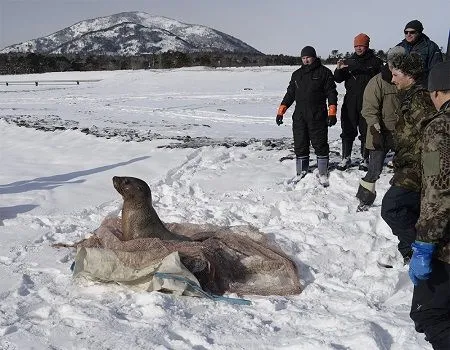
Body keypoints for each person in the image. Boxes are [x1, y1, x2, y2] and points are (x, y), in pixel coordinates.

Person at [408, 60, 450, 350]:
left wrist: (424, 242)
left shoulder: (440, 129)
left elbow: (438, 188)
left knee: (430, 314)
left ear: (436, 92)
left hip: (447, 243)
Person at [380, 52, 436, 264]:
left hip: (418, 168)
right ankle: (409, 253)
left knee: (392, 208)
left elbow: (433, 135)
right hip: (407, 165)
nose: (392, 79)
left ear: (410, 75)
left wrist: (431, 174)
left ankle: (424, 251)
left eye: (396, 74)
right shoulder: (410, 96)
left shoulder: (420, 98)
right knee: (412, 210)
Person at [276, 46, 338, 186]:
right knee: (300, 143)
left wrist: (332, 112)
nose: (306, 60)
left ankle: (322, 173)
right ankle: (301, 172)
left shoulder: (324, 73)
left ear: (314, 57)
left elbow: (331, 93)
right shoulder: (297, 75)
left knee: (320, 143)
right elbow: (290, 94)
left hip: (317, 115)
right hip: (300, 115)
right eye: (303, 58)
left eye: (308, 57)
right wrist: (281, 111)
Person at [355, 47, 404, 211]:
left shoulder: (406, 80)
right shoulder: (376, 82)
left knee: (404, 171)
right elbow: (368, 110)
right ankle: (364, 200)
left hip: (401, 133)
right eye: (393, 63)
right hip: (380, 134)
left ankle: (401, 202)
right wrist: (376, 131)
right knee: (374, 171)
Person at [334, 33, 383, 171]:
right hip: (350, 100)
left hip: (369, 101)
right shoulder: (348, 62)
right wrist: (338, 70)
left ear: (367, 46)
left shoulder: (375, 62)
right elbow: (337, 79)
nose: (358, 48)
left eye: (361, 45)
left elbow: (383, 79)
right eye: (356, 46)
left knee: (366, 130)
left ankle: (365, 159)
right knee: (347, 128)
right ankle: (346, 157)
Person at [397, 19, 443, 85]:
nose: (408, 34)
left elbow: (436, 70)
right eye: (406, 32)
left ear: (419, 33)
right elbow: (391, 66)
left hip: (422, 87)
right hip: (402, 85)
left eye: (412, 32)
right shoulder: (399, 47)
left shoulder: (431, 47)